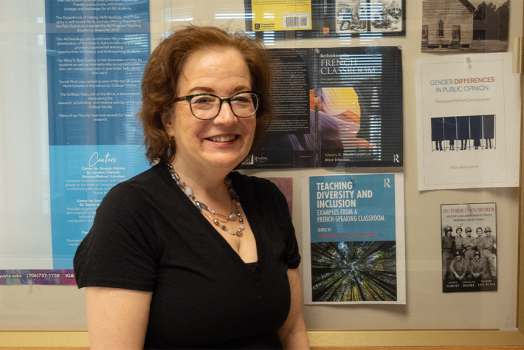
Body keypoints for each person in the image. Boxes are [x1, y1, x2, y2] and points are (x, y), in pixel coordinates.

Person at [73, 25, 310, 350]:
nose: (227, 117)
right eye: (203, 99)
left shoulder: (268, 200)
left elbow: (293, 331)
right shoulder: (130, 211)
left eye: (240, 98)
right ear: (166, 118)